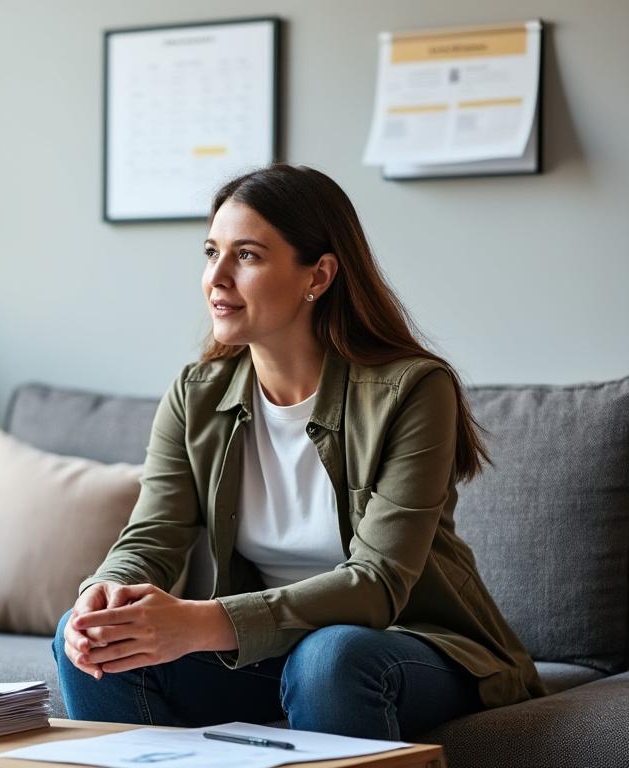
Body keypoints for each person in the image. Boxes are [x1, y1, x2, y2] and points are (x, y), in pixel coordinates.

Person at [54, 164, 545, 741]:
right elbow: (152, 534)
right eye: (211, 252)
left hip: (412, 645)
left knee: (329, 658)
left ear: (319, 275)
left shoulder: (412, 390)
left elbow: (377, 583)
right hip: (275, 651)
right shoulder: (196, 393)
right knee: (94, 639)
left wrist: (200, 622)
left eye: (248, 256)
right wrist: (102, 593)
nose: (216, 277)